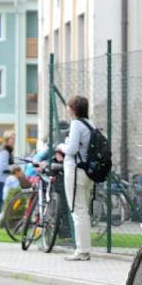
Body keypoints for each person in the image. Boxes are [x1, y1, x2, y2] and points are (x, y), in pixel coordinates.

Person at [56, 95, 94, 261]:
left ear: (73, 109)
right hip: (87, 172)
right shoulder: (89, 124)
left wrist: (60, 146)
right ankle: (85, 248)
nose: (67, 109)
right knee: (83, 210)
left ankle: (82, 250)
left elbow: (71, 149)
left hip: (75, 170)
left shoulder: (76, 124)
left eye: (68, 106)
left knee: (78, 210)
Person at [0, 130, 15, 225]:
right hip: (0, 179)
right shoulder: (4, 151)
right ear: (7, 139)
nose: (14, 140)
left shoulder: (6, 149)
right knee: (2, 201)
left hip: (0, 179)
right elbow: (3, 167)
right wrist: (13, 168)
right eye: (12, 138)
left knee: (3, 201)